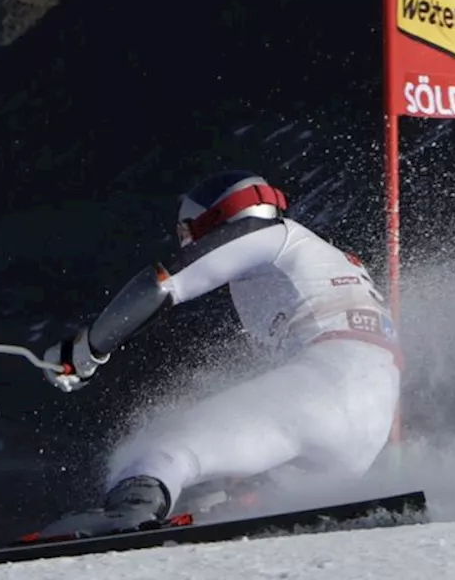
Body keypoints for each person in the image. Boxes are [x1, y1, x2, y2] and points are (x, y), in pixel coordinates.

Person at [35, 170, 402, 536]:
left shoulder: (271, 237)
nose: (189, 245)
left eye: (188, 232)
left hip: (324, 384)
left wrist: (84, 351)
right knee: (221, 490)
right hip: (369, 422)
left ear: (216, 220)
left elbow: (161, 285)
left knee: (157, 451)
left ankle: (127, 516)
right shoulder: (327, 259)